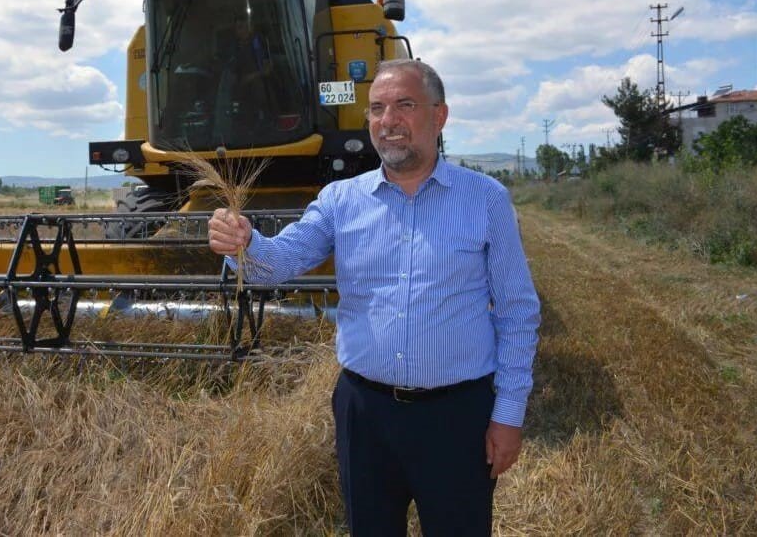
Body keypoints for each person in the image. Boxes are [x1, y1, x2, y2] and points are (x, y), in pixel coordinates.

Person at [207, 59, 540, 536]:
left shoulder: (485, 199)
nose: (389, 121)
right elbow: (279, 261)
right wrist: (244, 243)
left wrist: (508, 415)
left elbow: (517, 313)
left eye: (405, 105)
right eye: (377, 109)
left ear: (439, 116)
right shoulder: (341, 200)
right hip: (365, 414)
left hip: (457, 417)